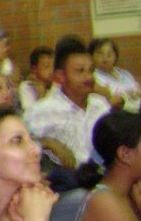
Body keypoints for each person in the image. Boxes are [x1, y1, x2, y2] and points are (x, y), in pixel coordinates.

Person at [24, 36, 110, 177]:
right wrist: (46, 143)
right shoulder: (42, 110)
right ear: (61, 76)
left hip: (102, 177)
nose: (88, 77)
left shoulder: (100, 105)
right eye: (80, 71)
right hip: (64, 182)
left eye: (91, 70)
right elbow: (20, 144)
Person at [90, 38, 141, 112]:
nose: (105, 58)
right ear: (91, 56)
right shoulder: (93, 77)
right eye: (100, 54)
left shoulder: (124, 74)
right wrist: (131, 95)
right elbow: (112, 101)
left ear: (115, 56)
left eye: (109, 53)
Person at [18, 45, 54, 110]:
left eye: (54, 66)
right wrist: (41, 93)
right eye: (46, 66)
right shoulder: (26, 87)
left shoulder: (57, 87)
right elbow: (32, 114)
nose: (52, 70)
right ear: (34, 69)